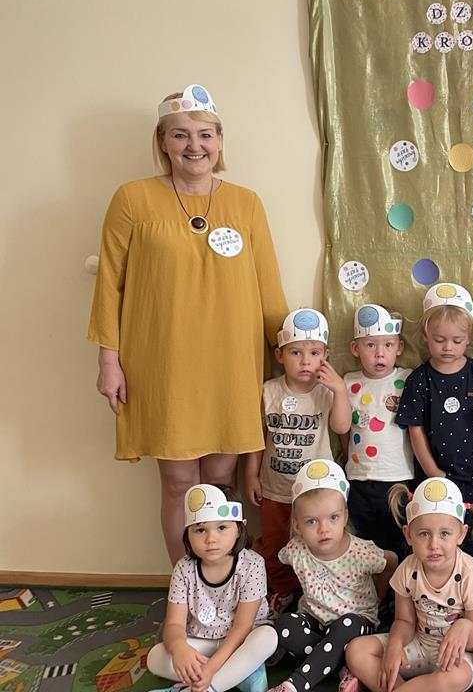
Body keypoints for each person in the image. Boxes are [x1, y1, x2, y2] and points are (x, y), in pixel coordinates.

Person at [89, 84, 288, 563]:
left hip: (231, 361)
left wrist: (288, 354)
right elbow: (110, 284)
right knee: (179, 482)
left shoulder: (245, 203)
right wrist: (109, 359)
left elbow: (268, 285)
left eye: (204, 134)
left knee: (221, 479)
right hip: (164, 360)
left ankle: (224, 585)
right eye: (180, 134)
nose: (193, 145)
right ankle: (186, 585)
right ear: (162, 141)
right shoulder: (133, 199)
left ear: (219, 141)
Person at [244, 308, 352, 613]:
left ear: (325, 356)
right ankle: (281, 591)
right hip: (276, 488)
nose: (306, 362)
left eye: (314, 353)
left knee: (319, 542)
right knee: (276, 544)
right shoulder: (269, 391)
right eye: (296, 353)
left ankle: (320, 594)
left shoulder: (327, 392)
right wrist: (251, 474)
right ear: (280, 355)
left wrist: (340, 390)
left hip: (317, 494)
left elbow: (342, 427)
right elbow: (258, 438)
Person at [343, 477, 473, 692]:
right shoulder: (407, 569)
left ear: (461, 534)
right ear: (408, 535)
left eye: (444, 534)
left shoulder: (472, 574)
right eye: (423, 534)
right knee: (356, 651)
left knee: (451, 679)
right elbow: (405, 621)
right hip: (419, 645)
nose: (434, 544)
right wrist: (394, 645)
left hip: (456, 658)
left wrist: (465, 626)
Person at [267, 460, 397, 692]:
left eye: (333, 518)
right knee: (285, 625)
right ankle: (343, 666)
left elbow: (392, 562)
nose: (323, 529)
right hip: (315, 621)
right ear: (297, 525)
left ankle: (293, 685)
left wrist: (379, 596)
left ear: (345, 516)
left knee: (346, 626)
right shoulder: (295, 550)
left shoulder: (361, 552)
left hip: (355, 625)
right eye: (311, 521)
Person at [396, 283, 473, 559]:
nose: (447, 347)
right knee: (434, 539)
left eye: (456, 340)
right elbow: (415, 429)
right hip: (433, 476)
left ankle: (471, 583)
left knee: (470, 539)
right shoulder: (418, 380)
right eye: (439, 339)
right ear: (425, 337)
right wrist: (432, 470)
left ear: (469, 338)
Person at [147, 484, 277, 692]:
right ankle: (239, 674)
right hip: (201, 641)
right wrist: (180, 649)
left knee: (268, 638)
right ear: (187, 533)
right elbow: (174, 624)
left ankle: (207, 687)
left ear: (239, 529)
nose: (211, 539)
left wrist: (210, 669)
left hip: (240, 641)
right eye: (200, 530)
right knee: (155, 657)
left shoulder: (252, 565)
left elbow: (242, 627)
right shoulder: (183, 569)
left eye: (222, 528)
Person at [344, 304, 414, 560]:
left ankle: (400, 585)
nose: (380, 353)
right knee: (364, 544)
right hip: (358, 478)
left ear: (399, 347)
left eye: (388, 345)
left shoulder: (408, 379)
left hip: (397, 477)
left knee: (400, 541)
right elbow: (343, 430)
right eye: (371, 345)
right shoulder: (348, 382)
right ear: (355, 349)